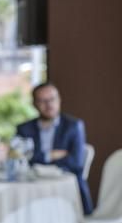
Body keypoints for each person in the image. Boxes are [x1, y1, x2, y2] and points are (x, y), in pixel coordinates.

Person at [17, 82, 92, 214]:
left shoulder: (74, 126)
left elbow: (76, 163)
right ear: (34, 104)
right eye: (42, 101)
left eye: (52, 99)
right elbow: (19, 158)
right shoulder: (24, 128)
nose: (49, 105)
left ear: (59, 100)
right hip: (32, 189)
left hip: (67, 194)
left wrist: (38, 158)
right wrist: (50, 155)